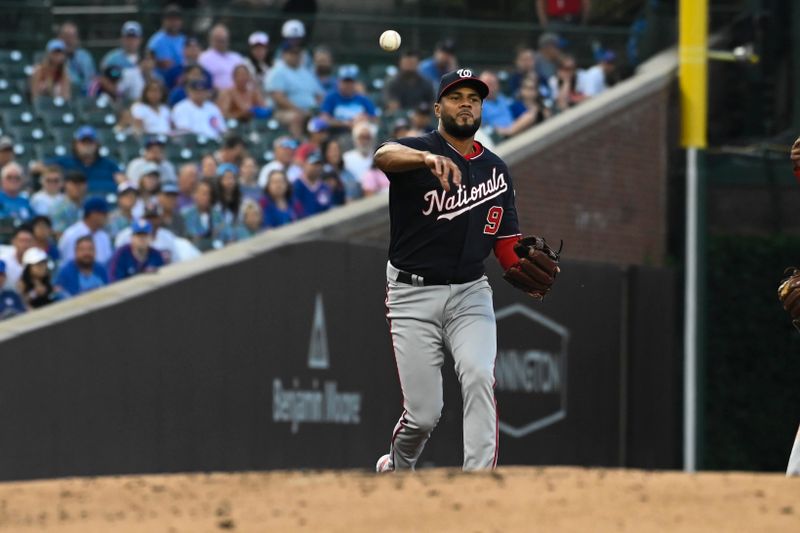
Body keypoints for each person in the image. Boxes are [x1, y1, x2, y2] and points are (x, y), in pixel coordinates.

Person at [372, 69, 557, 472]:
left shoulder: (496, 169)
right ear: (439, 108)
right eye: (456, 97)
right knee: (423, 415)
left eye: (474, 97)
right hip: (411, 293)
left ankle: (478, 484)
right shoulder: (417, 152)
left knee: (477, 375)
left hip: (470, 292)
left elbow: (504, 239)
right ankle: (397, 468)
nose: (466, 103)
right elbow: (382, 154)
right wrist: (424, 158)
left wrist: (520, 260)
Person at [265, 42, 325, 134]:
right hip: (284, 111)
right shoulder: (277, 71)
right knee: (296, 117)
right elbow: (278, 98)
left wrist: (316, 108)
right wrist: (299, 110)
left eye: (298, 53)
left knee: (326, 118)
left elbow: (319, 95)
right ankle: (298, 145)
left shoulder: (306, 72)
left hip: (310, 110)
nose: (296, 56)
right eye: (292, 53)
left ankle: (320, 147)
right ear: (284, 54)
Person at [45, 126, 124, 195]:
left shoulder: (109, 164)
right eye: (83, 142)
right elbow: (38, 167)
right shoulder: (65, 161)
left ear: (97, 145)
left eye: (90, 142)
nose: (87, 146)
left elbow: (124, 183)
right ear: (75, 145)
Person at [319, 65, 378, 133]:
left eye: (350, 82)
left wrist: (365, 119)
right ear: (339, 82)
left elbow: (375, 119)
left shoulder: (363, 99)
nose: (348, 85)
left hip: (358, 134)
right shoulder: (331, 97)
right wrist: (345, 123)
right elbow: (324, 120)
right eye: (345, 82)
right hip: (336, 134)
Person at [58, 197, 112, 265]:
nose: (107, 217)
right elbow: (66, 263)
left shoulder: (104, 236)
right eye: (104, 214)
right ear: (93, 214)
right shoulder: (71, 235)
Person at [499, 73, 551, 138]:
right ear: (521, 90)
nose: (529, 91)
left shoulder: (542, 107)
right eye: (526, 88)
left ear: (537, 91)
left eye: (532, 88)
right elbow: (507, 124)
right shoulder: (514, 107)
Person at [181, 178, 225, 251]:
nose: (207, 197)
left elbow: (225, 233)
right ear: (195, 195)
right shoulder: (185, 215)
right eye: (204, 194)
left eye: (209, 194)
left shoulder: (217, 215)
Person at [199, 24, 245, 91]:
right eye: (219, 40)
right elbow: (203, 80)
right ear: (211, 40)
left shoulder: (237, 57)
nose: (222, 43)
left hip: (238, 94)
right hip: (215, 95)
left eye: (224, 40)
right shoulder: (204, 58)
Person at [147, 4, 186, 76]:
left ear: (181, 21)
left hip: (181, 80)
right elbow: (148, 62)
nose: (174, 23)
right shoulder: (156, 40)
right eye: (171, 20)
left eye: (176, 19)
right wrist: (159, 63)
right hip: (161, 81)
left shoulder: (184, 39)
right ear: (164, 21)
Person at [58, 21, 96, 93]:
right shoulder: (52, 56)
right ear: (59, 38)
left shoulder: (85, 57)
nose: (68, 40)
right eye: (66, 36)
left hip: (81, 98)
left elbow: (90, 82)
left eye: (72, 36)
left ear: (77, 39)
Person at [291, 151, 332, 218]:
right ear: (305, 164)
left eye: (319, 164)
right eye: (314, 164)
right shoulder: (296, 186)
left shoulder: (324, 187)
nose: (317, 167)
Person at [0, 225, 34, 290]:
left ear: (33, 242)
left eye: (28, 241)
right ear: (13, 241)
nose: (25, 245)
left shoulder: (40, 261)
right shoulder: (2, 260)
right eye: (21, 241)